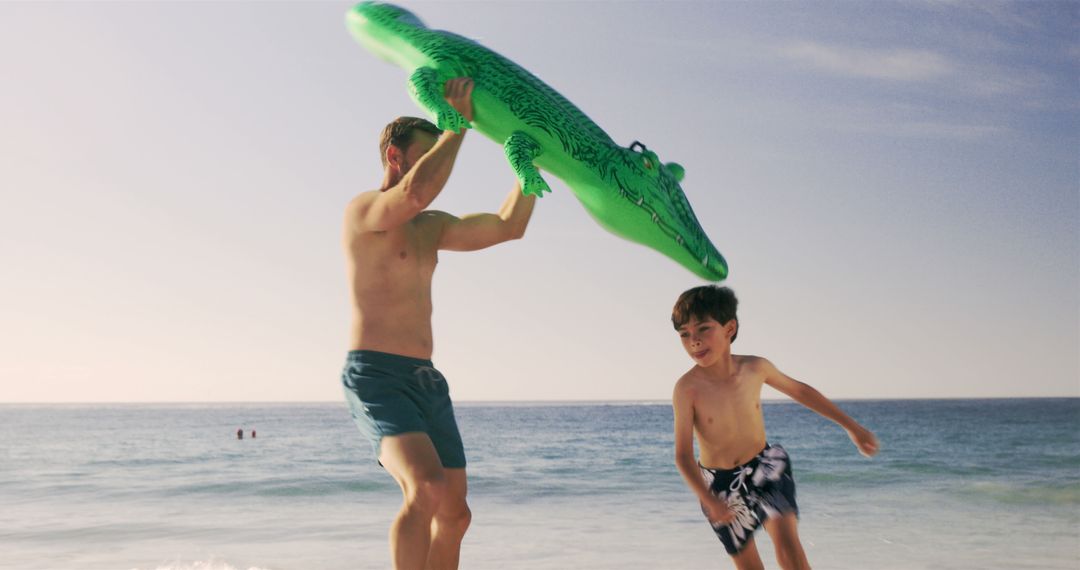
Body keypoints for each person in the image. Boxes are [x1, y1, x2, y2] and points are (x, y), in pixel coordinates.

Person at [340, 77, 537, 570]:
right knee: (425, 487)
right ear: (395, 157)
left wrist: (528, 174)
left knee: (455, 513)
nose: (436, 164)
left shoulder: (430, 228)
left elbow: (507, 227)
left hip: (427, 380)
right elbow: (415, 194)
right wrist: (458, 125)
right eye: (426, 155)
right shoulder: (366, 212)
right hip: (376, 375)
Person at [670, 285, 879, 570]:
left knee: (789, 549)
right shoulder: (687, 389)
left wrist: (851, 426)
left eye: (703, 329)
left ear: (730, 328)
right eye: (684, 334)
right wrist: (708, 499)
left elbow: (800, 391)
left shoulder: (755, 368)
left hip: (765, 466)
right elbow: (682, 455)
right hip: (717, 486)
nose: (693, 341)